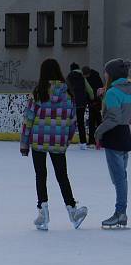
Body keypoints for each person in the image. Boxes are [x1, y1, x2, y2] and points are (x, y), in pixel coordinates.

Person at [20, 58, 88, 231]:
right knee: (62, 175)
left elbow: (28, 119)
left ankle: (43, 213)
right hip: (58, 141)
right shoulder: (68, 94)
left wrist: (24, 144)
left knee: (40, 175)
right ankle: (73, 211)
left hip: (38, 140)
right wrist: (66, 140)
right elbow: (73, 123)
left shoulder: (38, 92)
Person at [94, 59, 131, 229]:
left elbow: (113, 118)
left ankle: (120, 212)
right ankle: (121, 211)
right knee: (120, 177)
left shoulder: (113, 92)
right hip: (125, 134)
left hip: (114, 137)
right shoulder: (126, 89)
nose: (104, 75)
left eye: (106, 72)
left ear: (112, 74)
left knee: (119, 178)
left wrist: (98, 132)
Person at [66, 63, 94, 150]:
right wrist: (92, 98)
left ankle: (65, 141)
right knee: (81, 122)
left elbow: (65, 88)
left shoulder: (68, 77)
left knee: (68, 122)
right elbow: (89, 89)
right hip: (81, 103)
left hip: (71, 103)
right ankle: (83, 143)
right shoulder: (82, 77)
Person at [82, 65, 104, 147]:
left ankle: (94, 141)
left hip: (95, 102)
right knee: (96, 121)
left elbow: (88, 90)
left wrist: (90, 100)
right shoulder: (96, 76)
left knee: (94, 121)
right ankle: (98, 140)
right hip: (97, 101)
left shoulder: (91, 77)